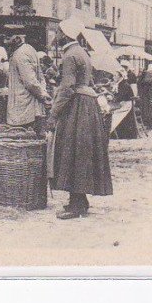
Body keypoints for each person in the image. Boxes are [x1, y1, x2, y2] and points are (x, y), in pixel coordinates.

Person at [50, 18, 113, 219]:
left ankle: (76, 204)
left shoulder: (69, 55)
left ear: (65, 34)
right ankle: (80, 200)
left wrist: (54, 113)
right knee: (82, 152)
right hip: (87, 104)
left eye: (58, 32)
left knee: (72, 151)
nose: (56, 36)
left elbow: (67, 87)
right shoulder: (82, 53)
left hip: (77, 105)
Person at [7, 35, 50, 133]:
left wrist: (43, 96)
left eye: (8, 38)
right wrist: (43, 94)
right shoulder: (29, 50)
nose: (6, 41)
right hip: (29, 105)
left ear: (17, 38)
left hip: (24, 107)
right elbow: (39, 77)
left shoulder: (20, 54)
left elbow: (30, 82)